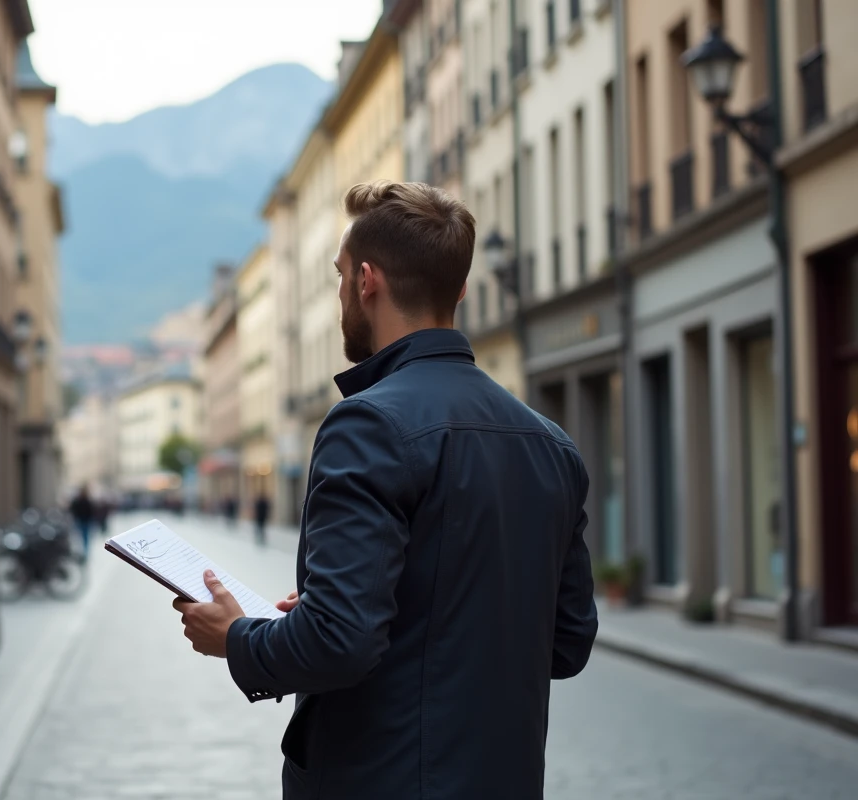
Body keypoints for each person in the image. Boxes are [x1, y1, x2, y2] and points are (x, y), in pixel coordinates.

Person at [174, 181, 597, 799]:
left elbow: (339, 642)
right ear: (459, 290)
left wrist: (237, 637)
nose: (341, 291)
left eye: (340, 275)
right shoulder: (551, 443)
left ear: (366, 281)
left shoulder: (367, 423)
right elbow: (566, 643)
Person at [69, 485, 94, 560]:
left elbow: (91, 511)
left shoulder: (86, 500)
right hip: (80, 521)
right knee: (79, 537)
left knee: (84, 537)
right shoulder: (78, 501)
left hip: (85, 521)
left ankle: (84, 552)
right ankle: (81, 552)